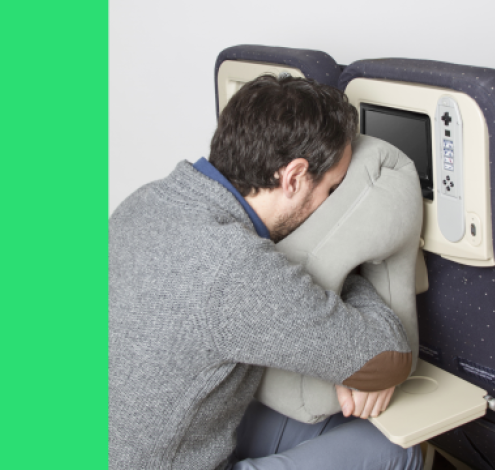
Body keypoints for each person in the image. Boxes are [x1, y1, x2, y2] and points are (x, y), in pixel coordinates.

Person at [109, 75, 422, 470]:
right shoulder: (233, 269)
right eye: (331, 189)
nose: (329, 204)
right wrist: (347, 272)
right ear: (293, 177)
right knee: (397, 450)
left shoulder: (145, 201)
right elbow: (390, 358)